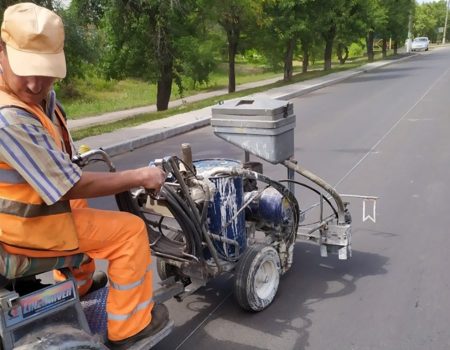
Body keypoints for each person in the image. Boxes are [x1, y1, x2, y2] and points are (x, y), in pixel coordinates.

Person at [0, 3, 168, 348]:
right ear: (1, 53)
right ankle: (129, 327)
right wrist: (139, 175)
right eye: (25, 70)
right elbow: (68, 184)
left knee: (82, 205)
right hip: (23, 225)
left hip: (25, 213)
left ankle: (80, 284)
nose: (35, 82)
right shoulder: (9, 118)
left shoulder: (35, 99)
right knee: (129, 232)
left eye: (45, 71)